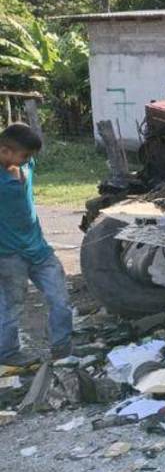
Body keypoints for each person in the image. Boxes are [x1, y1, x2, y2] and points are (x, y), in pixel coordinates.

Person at [0, 123, 72, 366]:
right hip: (8, 255)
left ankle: (62, 349)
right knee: (12, 306)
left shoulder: (26, 165)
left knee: (60, 300)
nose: (28, 160)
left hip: (39, 250)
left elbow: (22, 137)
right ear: (4, 151)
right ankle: (8, 352)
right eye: (25, 155)